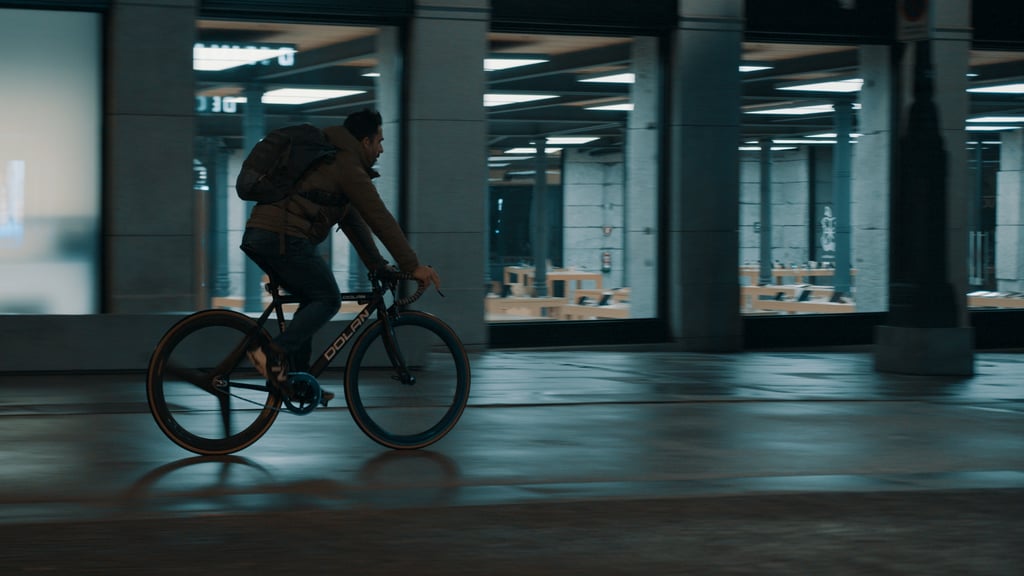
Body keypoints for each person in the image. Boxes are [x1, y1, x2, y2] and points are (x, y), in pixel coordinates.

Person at [240, 108, 441, 402]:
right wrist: (413, 266)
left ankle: (296, 382)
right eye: (379, 141)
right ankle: (269, 355)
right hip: (282, 237)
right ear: (364, 141)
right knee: (328, 298)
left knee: (313, 299)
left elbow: (355, 221)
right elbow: (379, 217)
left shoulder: (333, 162)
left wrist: (379, 266)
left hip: (267, 235)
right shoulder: (346, 166)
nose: (382, 149)